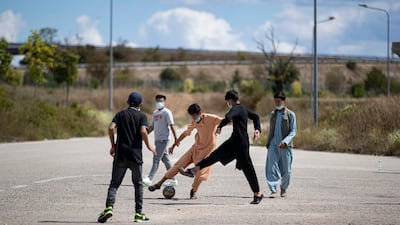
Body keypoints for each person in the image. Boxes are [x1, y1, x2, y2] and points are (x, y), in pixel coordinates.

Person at [180, 90, 264, 204]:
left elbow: (228, 116)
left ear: (230, 100)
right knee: (214, 156)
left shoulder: (236, 108)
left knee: (248, 168)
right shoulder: (243, 109)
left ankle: (257, 193)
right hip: (234, 141)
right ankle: (194, 170)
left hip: (240, 144)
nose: (228, 104)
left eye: (227, 101)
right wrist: (257, 129)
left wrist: (220, 126)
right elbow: (256, 117)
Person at [97, 92, 156, 223]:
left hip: (121, 155)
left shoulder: (120, 114)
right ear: (141, 104)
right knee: (138, 184)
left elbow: (111, 128)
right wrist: (149, 146)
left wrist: (113, 145)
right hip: (135, 156)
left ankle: (109, 208)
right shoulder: (142, 116)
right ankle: (138, 214)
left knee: (114, 183)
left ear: (127, 102)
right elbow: (143, 132)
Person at [148, 104, 223, 199]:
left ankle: (193, 191)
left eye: (194, 116)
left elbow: (225, 121)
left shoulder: (211, 118)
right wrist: (175, 144)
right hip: (195, 149)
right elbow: (185, 133)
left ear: (199, 113)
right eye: (191, 116)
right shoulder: (194, 122)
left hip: (207, 152)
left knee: (200, 174)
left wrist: (220, 127)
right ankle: (159, 184)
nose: (193, 118)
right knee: (178, 165)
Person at [265, 91, 297, 198]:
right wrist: (268, 142)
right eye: (275, 102)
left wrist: (285, 141)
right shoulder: (273, 114)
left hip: (285, 145)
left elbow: (293, 131)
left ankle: (283, 189)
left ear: (284, 101)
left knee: (286, 170)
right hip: (273, 144)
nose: (277, 103)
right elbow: (271, 130)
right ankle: (273, 190)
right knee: (272, 167)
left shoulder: (291, 114)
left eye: (279, 101)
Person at [143, 94, 178, 187]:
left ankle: (149, 178)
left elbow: (172, 125)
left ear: (164, 102)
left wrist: (176, 139)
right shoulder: (155, 113)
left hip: (164, 139)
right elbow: (152, 127)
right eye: (157, 101)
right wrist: (144, 135)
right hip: (157, 139)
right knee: (166, 160)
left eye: (161, 101)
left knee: (156, 159)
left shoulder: (167, 112)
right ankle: (173, 179)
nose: (159, 103)